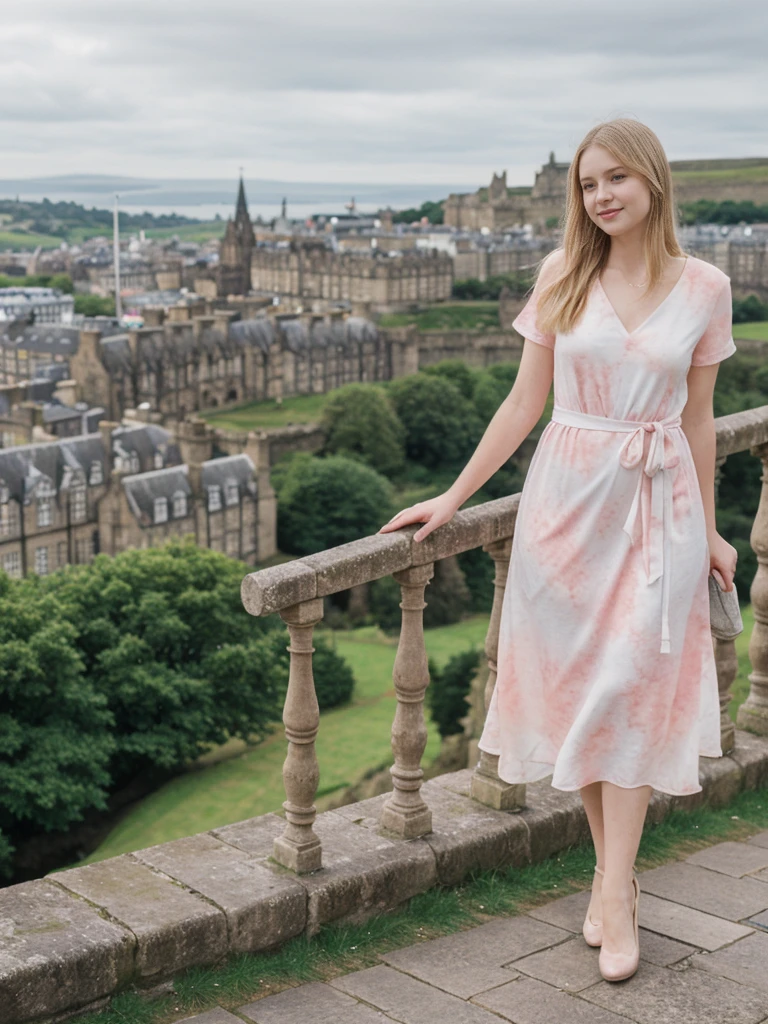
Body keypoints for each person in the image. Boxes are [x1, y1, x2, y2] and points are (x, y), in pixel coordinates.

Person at [377, 117, 739, 983]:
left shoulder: (707, 285)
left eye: (616, 178)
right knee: (584, 699)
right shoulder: (561, 275)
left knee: (635, 696)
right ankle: (615, 880)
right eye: (587, 184)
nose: (602, 196)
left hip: (658, 510)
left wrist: (715, 529)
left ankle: (615, 892)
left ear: (653, 180)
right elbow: (521, 404)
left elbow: (696, 422)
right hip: (565, 507)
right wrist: (454, 496)